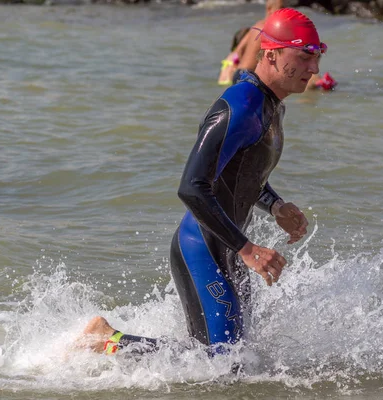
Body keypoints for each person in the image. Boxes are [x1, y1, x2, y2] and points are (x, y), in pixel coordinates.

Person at [78, 7, 324, 356]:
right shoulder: (239, 107)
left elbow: (240, 175)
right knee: (221, 363)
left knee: (230, 359)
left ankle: (108, 340)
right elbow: (192, 186)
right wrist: (249, 249)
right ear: (271, 53)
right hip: (204, 247)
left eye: (317, 56)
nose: (314, 69)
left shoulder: (271, 106)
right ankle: (103, 338)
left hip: (229, 245)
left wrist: (276, 205)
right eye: (304, 56)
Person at [223, 0, 336, 91]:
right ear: (269, 9)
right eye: (281, 7)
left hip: (240, 73)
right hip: (248, 76)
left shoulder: (257, 26)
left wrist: (230, 67)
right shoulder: (267, 29)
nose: (284, 11)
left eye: (286, 7)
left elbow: (237, 51)